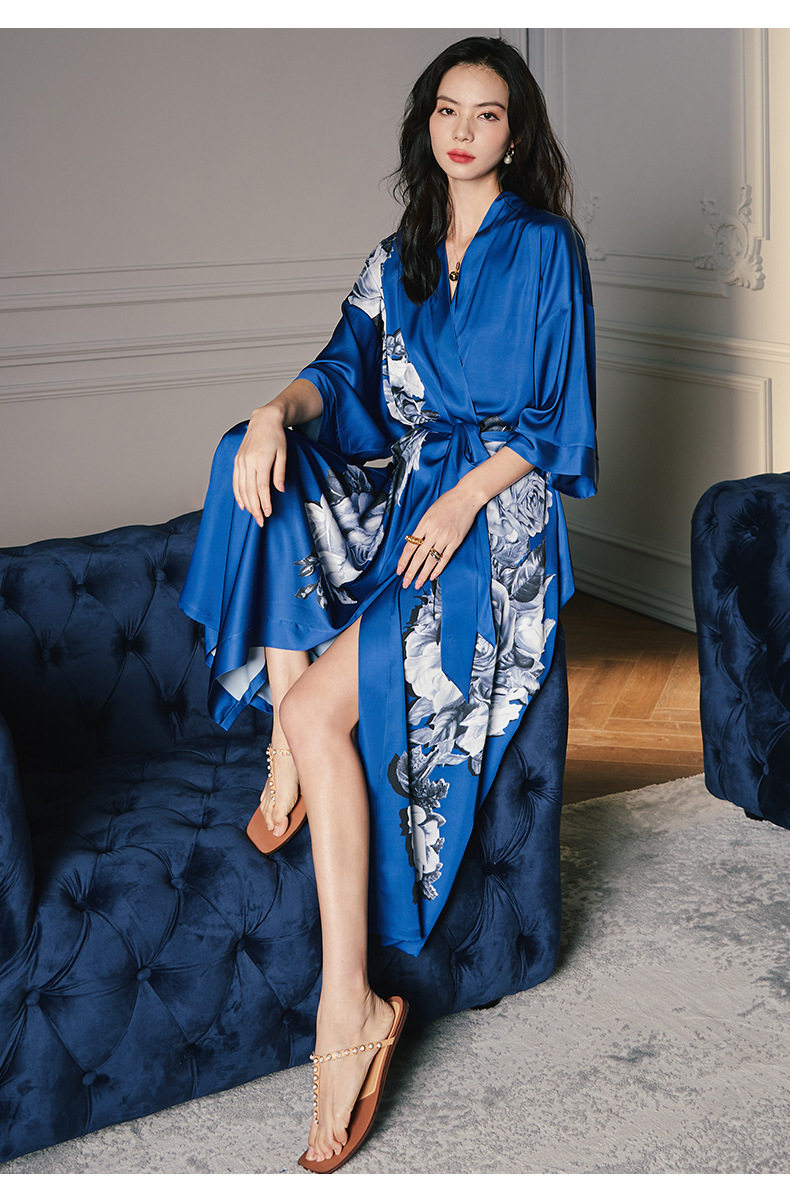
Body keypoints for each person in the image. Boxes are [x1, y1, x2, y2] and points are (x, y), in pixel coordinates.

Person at [179, 35, 598, 1172]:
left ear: (516, 133)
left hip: (493, 519)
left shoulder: (545, 248)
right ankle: (293, 733)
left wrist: (461, 502)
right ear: (426, 124)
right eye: (448, 110)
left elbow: (555, 421)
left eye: (489, 114)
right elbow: (339, 374)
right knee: (244, 452)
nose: (465, 131)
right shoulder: (400, 252)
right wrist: (271, 411)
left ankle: (347, 1006)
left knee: (322, 711)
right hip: (410, 502)